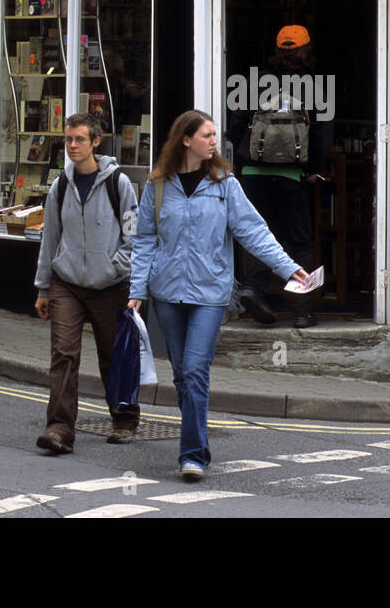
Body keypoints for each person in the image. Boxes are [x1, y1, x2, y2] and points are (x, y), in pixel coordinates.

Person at [127, 110, 307, 482]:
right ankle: (195, 440)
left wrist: (288, 267)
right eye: (207, 135)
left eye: (214, 135)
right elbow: (144, 239)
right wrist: (137, 289)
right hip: (167, 293)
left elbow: (254, 232)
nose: (214, 141)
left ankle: (193, 454)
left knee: (195, 371)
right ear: (186, 140)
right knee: (181, 375)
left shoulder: (225, 184)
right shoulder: (158, 184)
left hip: (210, 293)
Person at [32, 113, 140, 455]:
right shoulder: (59, 186)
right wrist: (43, 287)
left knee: (114, 355)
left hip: (111, 285)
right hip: (67, 283)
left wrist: (116, 268)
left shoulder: (118, 183)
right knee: (63, 354)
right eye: (68, 140)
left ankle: (124, 419)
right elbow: (51, 237)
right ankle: (60, 428)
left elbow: (133, 236)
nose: (72, 146)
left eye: (79, 139)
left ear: (96, 142)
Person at [227, 25, 332, 328]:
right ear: (307, 50)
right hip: (291, 176)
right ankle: (301, 310)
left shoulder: (251, 82)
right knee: (299, 241)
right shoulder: (316, 85)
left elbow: (235, 126)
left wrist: (248, 159)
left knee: (260, 234)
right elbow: (323, 133)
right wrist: (314, 169)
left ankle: (253, 290)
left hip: (252, 174)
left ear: (276, 50)